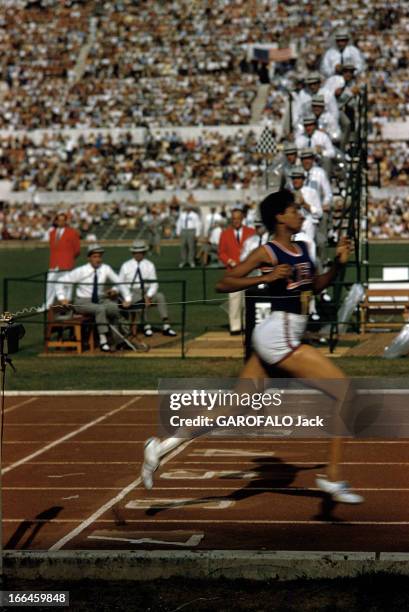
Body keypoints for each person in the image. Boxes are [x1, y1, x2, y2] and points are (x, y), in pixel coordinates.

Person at [141, 189, 363, 504]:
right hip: (279, 334)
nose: (300, 214)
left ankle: (160, 448)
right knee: (344, 391)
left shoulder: (303, 248)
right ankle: (332, 477)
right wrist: (265, 277)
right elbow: (225, 282)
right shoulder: (267, 252)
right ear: (279, 217)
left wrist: (339, 264)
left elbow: (315, 286)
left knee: (236, 406)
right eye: (294, 210)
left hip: (282, 334)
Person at [56, 243, 132, 352]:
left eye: (100, 256)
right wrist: (62, 297)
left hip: (100, 299)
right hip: (82, 302)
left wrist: (128, 298)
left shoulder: (106, 268)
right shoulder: (81, 270)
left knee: (114, 308)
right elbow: (60, 281)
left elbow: (119, 281)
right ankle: (103, 341)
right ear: (89, 258)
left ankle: (120, 341)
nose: (98, 259)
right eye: (95, 257)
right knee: (100, 310)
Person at [118, 239, 177, 338]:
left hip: (146, 290)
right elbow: (120, 282)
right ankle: (146, 325)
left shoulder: (149, 265)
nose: (138, 254)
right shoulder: (126, 265)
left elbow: (154, 283)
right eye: (136, 252)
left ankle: (166, 325)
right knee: (139, 299)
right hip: (132, 292)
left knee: (160, 296)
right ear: (132, 253)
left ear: (144, 252)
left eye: (140, 252)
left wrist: (148, 295)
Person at [218, 207, 255, 334]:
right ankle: (235, 327)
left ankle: (247, 325)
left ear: (243, 219)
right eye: (234, 219)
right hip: (232, 272)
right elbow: (221, 253)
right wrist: (229, 261)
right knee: (234, 300)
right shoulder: (225, 234)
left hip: (248, 272)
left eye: (238, 219)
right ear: (231, 220)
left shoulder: (251, 232)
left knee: (247, 300)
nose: (236, 221)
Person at [42, 212, 81, 310]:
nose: (61, 222)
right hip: (54, 263)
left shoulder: (72, 232)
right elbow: (53, 248)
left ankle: (66, 305)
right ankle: (48, 305)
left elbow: (77, 250)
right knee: (50, 283)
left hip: (67, 263)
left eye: (63, 220)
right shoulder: (52, 233)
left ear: (66, 221)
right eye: (59, 220)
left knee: (67, 285)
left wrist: (69, 258)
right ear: (56, 221)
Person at [176, 204, 201, 268]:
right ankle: (183, 261)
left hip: (191, 230)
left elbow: (198, 224)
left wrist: (197, 234)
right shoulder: (182, 215)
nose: (187, 208)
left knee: (191, 246)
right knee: (183, 246)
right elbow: (179, 223)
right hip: (184, 230)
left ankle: (191, 261)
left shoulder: (195, 215)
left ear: (190, 208)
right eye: (186, 207)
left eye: (188, 207)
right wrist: (178, 232)